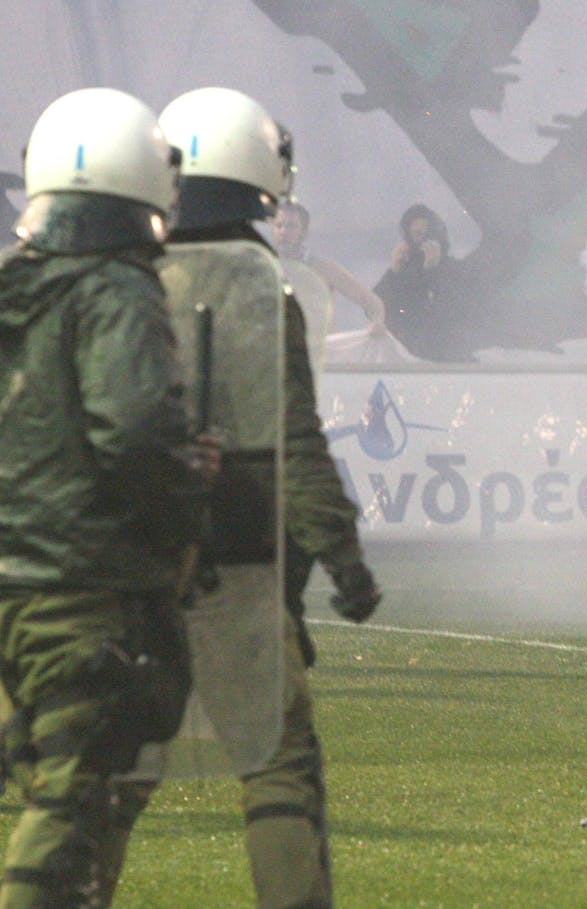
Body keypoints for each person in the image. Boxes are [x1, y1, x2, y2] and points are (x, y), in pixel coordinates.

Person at [150, 87, 382, 908]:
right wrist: (343, 556)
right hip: (238, 570)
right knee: (278, 766)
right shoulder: (260, 292)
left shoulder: (112, 280)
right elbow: (297, 442)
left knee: (88, 785)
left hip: (122, 569)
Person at [0, 88, 205, 908]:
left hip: (9, 575)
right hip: (76, 580)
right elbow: (133, 431)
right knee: (68, 804)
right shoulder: (118, 288)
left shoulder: (15, 285)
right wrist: (189, 494)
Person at [270, 201, 397, 373]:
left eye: (291, 226)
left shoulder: (324, 269)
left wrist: (378, 322)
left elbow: (373, 303)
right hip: (277, 363)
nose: (284, 231)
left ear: (303, 232)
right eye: (279, 225)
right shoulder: (261, 270)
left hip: (321, 365)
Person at [372, 203, 473, 362]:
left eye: (425, 234)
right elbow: (374, 310)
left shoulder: (454, 270)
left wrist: (432, 272)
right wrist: (393, 273)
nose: (420, 240)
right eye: (415, 234)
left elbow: (451, 313)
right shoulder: (401, 272)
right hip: (402, 362)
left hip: (447, 364)